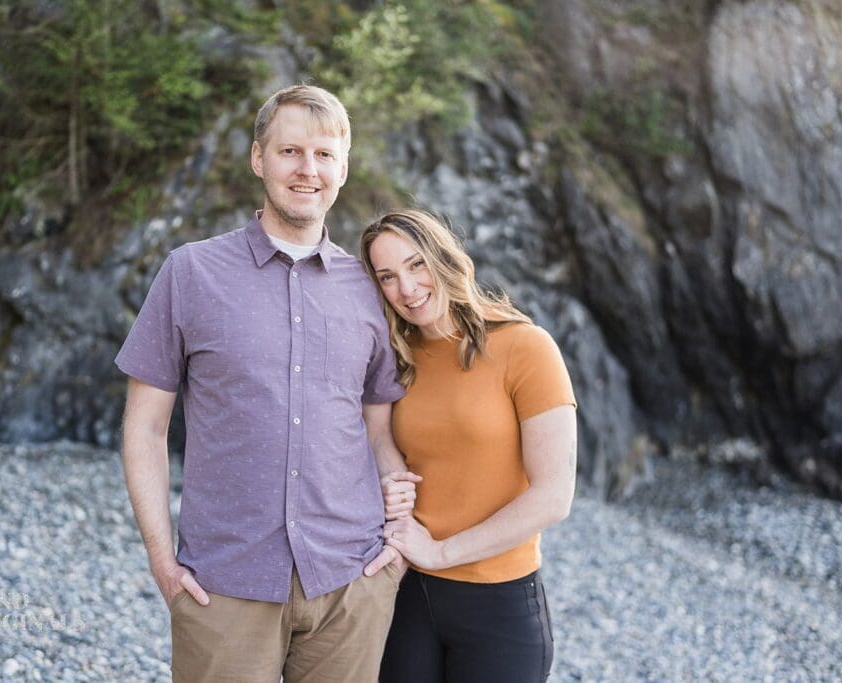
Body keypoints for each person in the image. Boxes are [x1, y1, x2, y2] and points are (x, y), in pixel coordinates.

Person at [114, 85, 416, 682]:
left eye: (324, 155)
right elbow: (144, 427)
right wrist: (160, 561)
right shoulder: (190, 272)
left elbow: (378, 431)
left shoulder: (369, 290)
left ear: (343, 168)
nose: (308, 170)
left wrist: (396, 547)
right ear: (259, 159)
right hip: (223, 585)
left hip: (350, 584)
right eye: (290, 151)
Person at [360, 209, 578, 683]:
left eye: (417, 265)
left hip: (499, 603)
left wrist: (441, 553)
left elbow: (554, 496)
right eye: (388, 277)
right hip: (408, 595)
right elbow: (379, 436)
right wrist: (391, 485)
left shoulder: (527, 347)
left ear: (444, 256)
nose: (408, 288)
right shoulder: (397, 357)